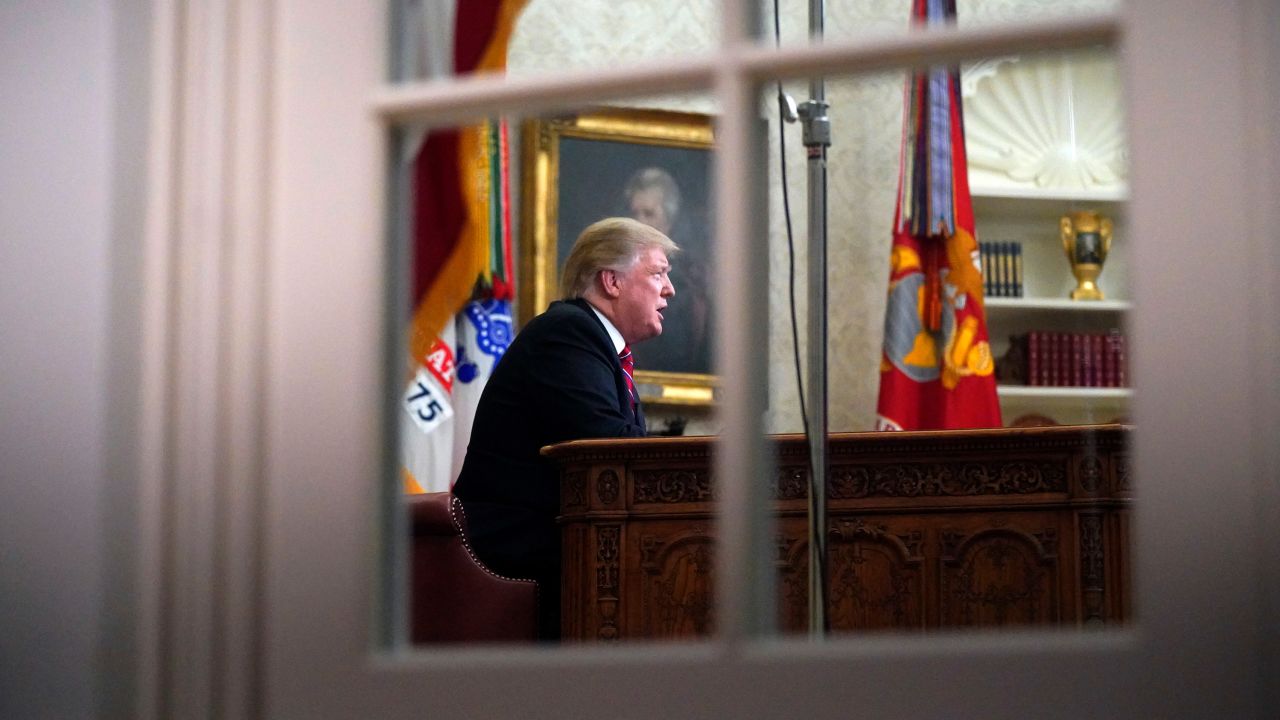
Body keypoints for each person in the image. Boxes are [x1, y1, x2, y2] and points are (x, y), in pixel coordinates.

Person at [452, 216, 678, 639]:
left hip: (565, 534)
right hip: (521, 542)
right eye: (659, 273)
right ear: (612, 280)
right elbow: (608, 447)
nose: (669, 289)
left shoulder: (598, 344)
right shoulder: (568, 332)